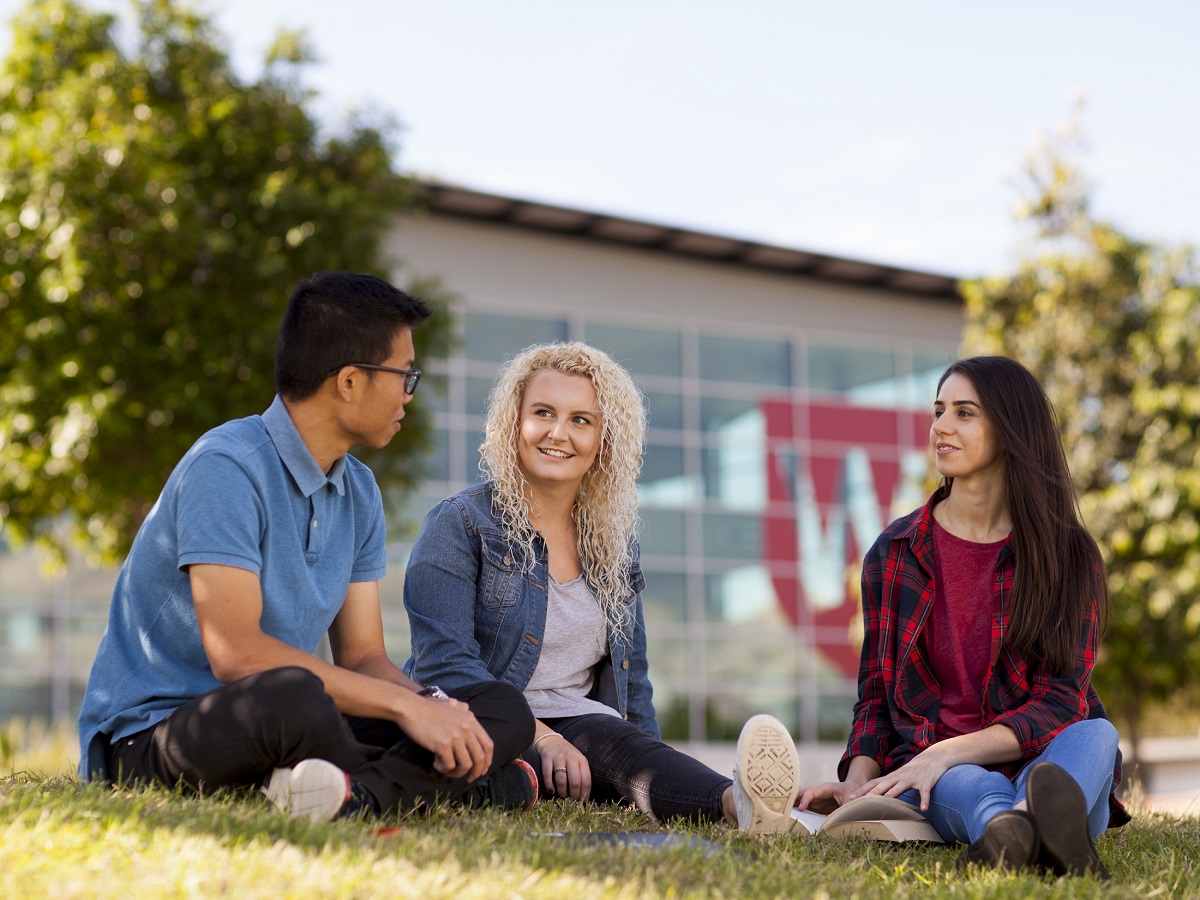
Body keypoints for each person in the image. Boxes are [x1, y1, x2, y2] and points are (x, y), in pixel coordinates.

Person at [77, 272, 536, 822]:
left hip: (293, 720)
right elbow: (237, 655)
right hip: (158, 735)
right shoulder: (225, 467)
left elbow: (363, 657)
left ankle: (355, 798)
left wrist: (433, 709)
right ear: (350, 381)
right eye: (405, 376)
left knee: (497, 706)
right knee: (296, 699)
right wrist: (404, 709)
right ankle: (452, 787)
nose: (409, 395)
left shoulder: (359, 489)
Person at [402, 341, 802, 832]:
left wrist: (652, 771)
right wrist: (544, 738)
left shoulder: (613, 544)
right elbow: (444, 666)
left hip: (585, 731)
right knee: (520, 754)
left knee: (620, 746)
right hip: (481, 718)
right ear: (514, 423)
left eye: (581, 420)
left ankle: (741, 804)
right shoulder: (460, 523)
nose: (558, 433)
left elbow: (634, 682)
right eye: (543, 413)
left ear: (603, 441)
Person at [796, 355, 1129, 877]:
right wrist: (858, 783)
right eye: (939, 411)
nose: (941, 427)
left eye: (964, 413)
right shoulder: (894, 552)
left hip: (1045, 760)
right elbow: (877, 698)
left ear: (1010, 429)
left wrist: (949, 751)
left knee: (1097, 735)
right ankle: (1032, 831)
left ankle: (1021, 826)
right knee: (964, 781)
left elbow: (1063, 701)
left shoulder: (1068, 554)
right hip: (941, 776)